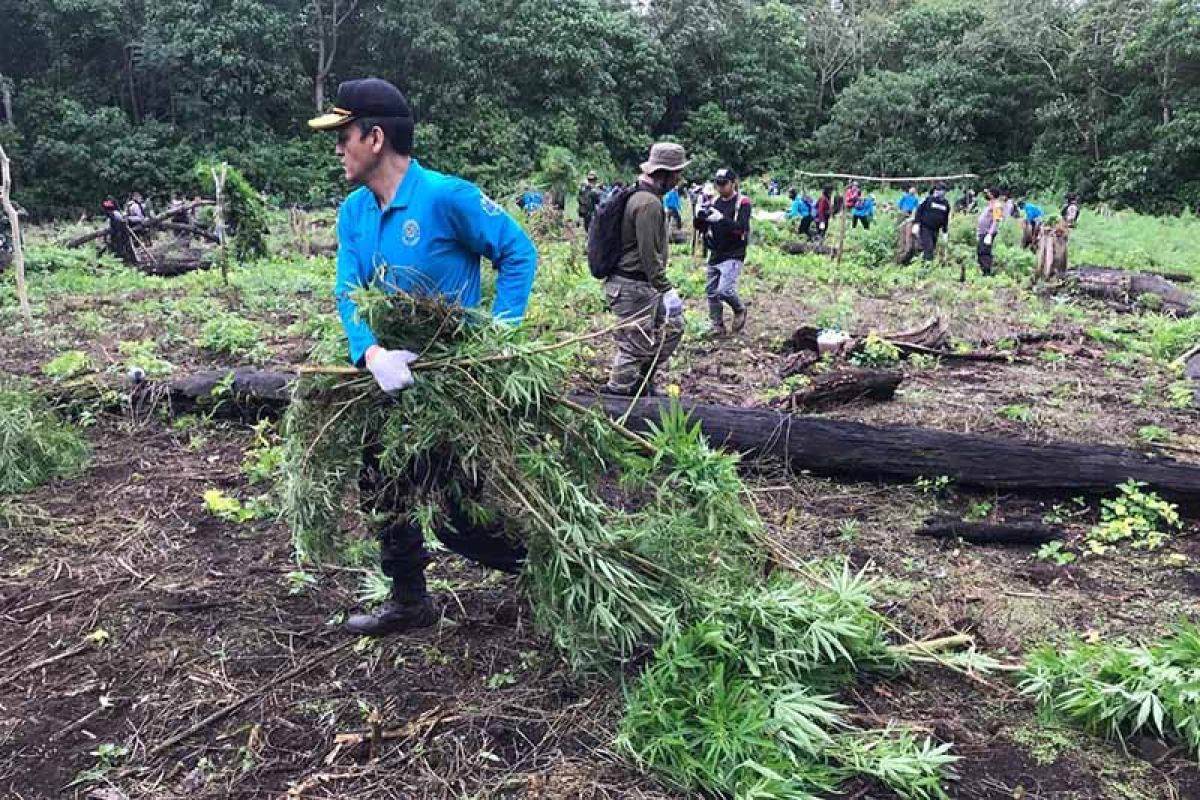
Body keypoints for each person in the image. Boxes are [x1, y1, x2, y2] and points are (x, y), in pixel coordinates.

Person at [308, 77, 538, 636]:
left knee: (459, 515)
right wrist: (370, 352)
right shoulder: (354, 213)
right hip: (387, 378)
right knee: (382, 484)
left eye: (344, 136)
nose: (338, 148)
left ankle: (549, 571)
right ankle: (410, 601)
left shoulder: (447, 197)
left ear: (376, 138)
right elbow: (348, 290)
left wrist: (498, 337)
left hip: (449, 383)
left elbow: (518, 252)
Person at [601, 142, 688, 396]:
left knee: (669, 328)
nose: (679, 179)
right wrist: (667, 289)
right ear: (666, 174)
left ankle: (642, 382)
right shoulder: (648, 204)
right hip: (633, 286)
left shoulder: (643, 197)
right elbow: (648, 255)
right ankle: (616, 396)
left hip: (640, 285)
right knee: (633, 346)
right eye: (677, 173)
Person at [695, 167, 751, 336]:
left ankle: (739, 309)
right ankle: (717, 324)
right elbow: (703, 228)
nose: (720, 188)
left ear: (733, 183)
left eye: (724, 184)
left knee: (724, 290)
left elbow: (742, 228)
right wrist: (700, 218)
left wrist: (722, 219)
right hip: (716, 251)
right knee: (711, 291)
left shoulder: (742, 203)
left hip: (734, 252)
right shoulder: (715, 203)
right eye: (717, 184)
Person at [913, 184, 951, 261]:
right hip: (925, 228)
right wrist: (916, 223)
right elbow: (919, 211)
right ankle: (926, 267)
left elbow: (945, 219)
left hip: (935, 230)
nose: (939, 192)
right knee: (928, 248)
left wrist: (945, 231)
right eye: (937, 190)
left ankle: (924, 263)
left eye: (941, 190)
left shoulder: (946, 204)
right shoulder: (928, 200)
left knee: (932, 248)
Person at [976, 187, 1004, 275]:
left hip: (988, 233)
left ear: (992, 195)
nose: (987, 194)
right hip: (983, 232)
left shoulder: (997, 206)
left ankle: (986, 271)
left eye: (988, 193)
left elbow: (996, 220)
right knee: (980, 251)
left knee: (985, 251)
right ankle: (983, 270)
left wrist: (990, 234)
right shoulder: (990, 204)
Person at [102, 197, 137, 264]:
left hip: (120, 234)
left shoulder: (115, 214)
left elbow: (122, 223)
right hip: (116, 234)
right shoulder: (114, 214)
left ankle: (128, 261)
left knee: (123, 248)